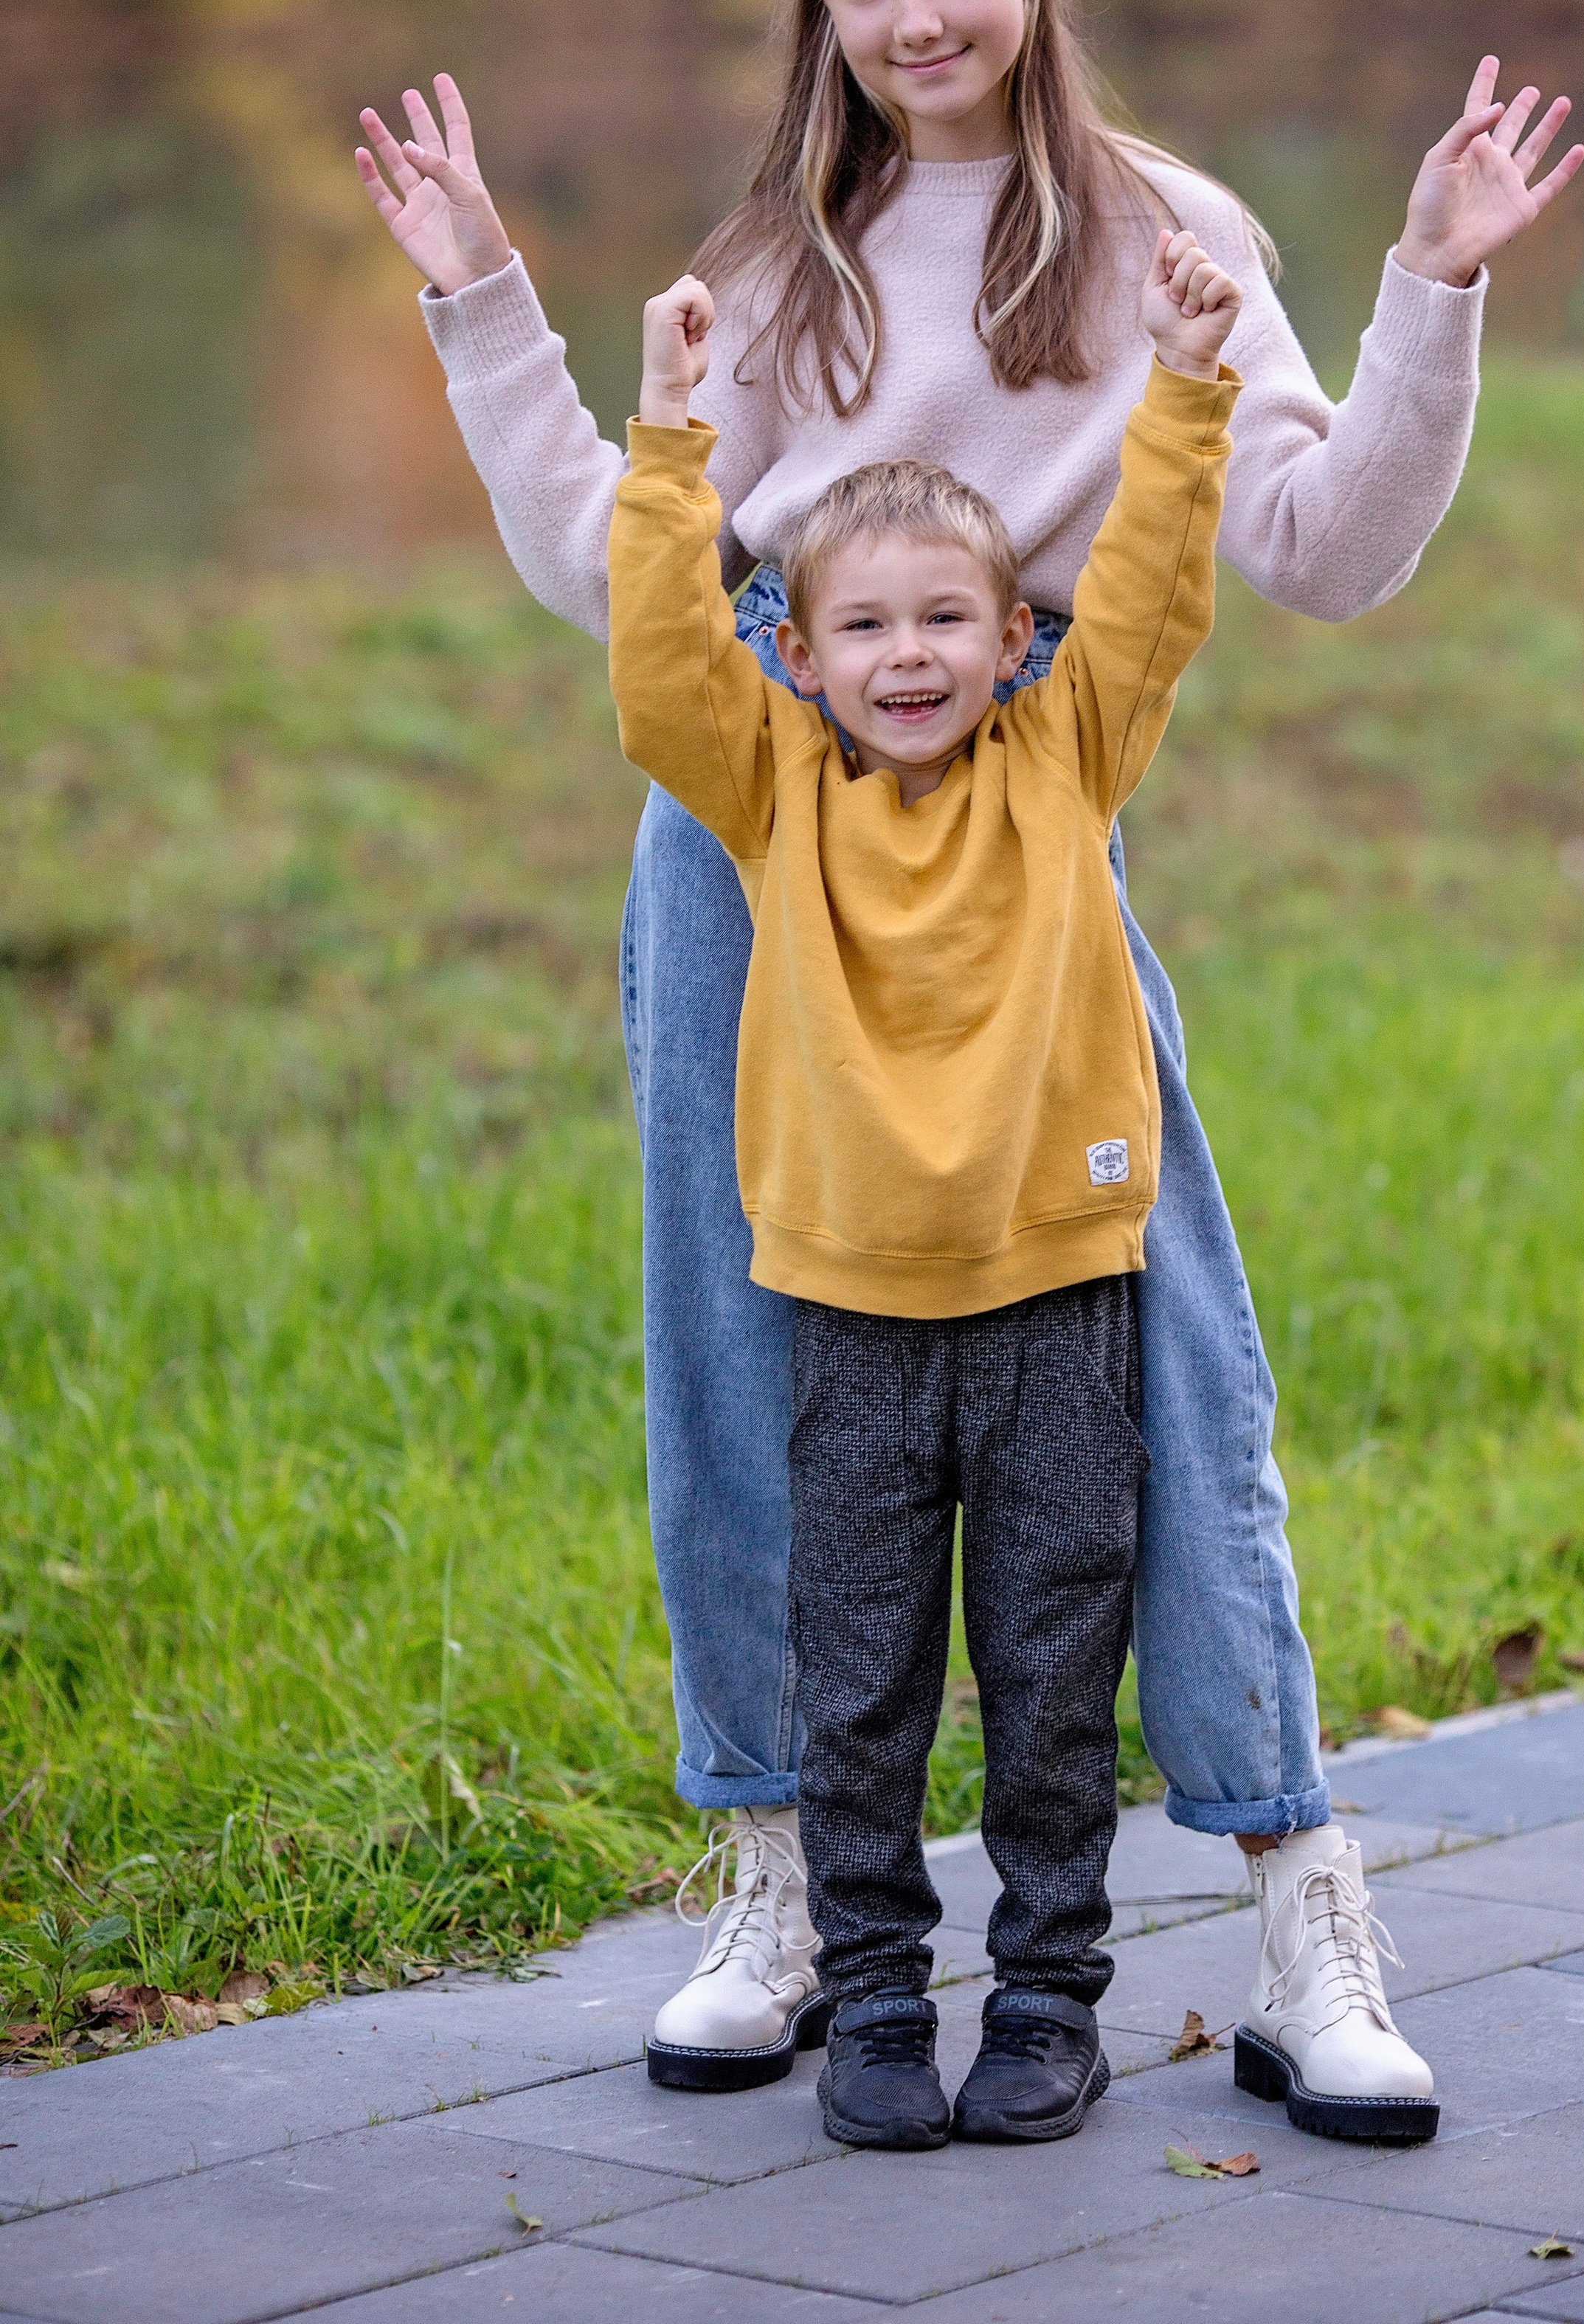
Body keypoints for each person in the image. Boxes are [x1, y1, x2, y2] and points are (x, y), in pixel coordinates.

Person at [355, 0, 1584, 2137]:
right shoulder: (785, 244)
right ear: (813, 7)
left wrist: (1434, 284)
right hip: (754, 825)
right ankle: (785, 1882)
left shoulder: (1165, 233)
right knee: (742, 1355)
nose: (909, 19)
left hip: (1025, 808)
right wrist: (481, 294)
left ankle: (1297, 1898)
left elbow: (1323, 550)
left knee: (1165, 1350)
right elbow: (603, 560)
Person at [611, 225, 1256, 2148]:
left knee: (1056, 1675)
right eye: (867, 629)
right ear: (799, 656)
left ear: (1008, 643)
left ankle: (1049, 1999)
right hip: (854, 1314)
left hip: (1060, 1297)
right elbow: (657, 670)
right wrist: (666, 441)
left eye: (945, 624)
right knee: (865, 1682)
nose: (908, 659)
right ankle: (879, 1998)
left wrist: (1195, 385)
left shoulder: (1067, 758)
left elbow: (1149, 588)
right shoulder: (770, 785)